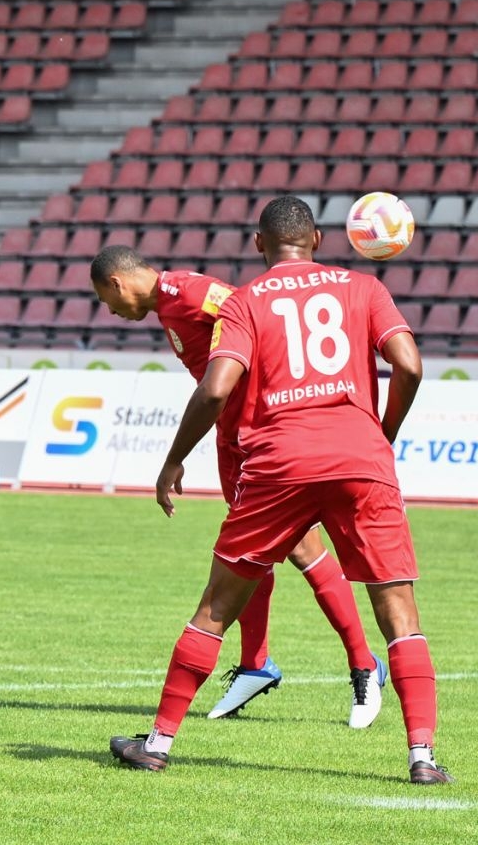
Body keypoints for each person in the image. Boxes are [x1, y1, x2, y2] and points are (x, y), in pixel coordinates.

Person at [111, 197, 447, 784]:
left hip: (279, 461)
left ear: (258, 244)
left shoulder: (244, 300)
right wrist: (382, 432)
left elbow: (217, 389)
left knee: (216, 606)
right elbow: (411, 366)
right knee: (399, 611)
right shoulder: (365, 288)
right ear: (317, 239)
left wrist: (173, 459)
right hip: (360, 458)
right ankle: (422, 757)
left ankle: (158, 743)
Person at [91, 246, 384, 726]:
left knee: (303, 548)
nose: (111, 311)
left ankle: (363, 661)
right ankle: (256, 663)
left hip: (264, 434)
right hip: (233, 439)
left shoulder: (189, 293)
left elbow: (249, 309)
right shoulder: (169, 307)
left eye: (107, 300)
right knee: (248, 552)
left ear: (118, 282)